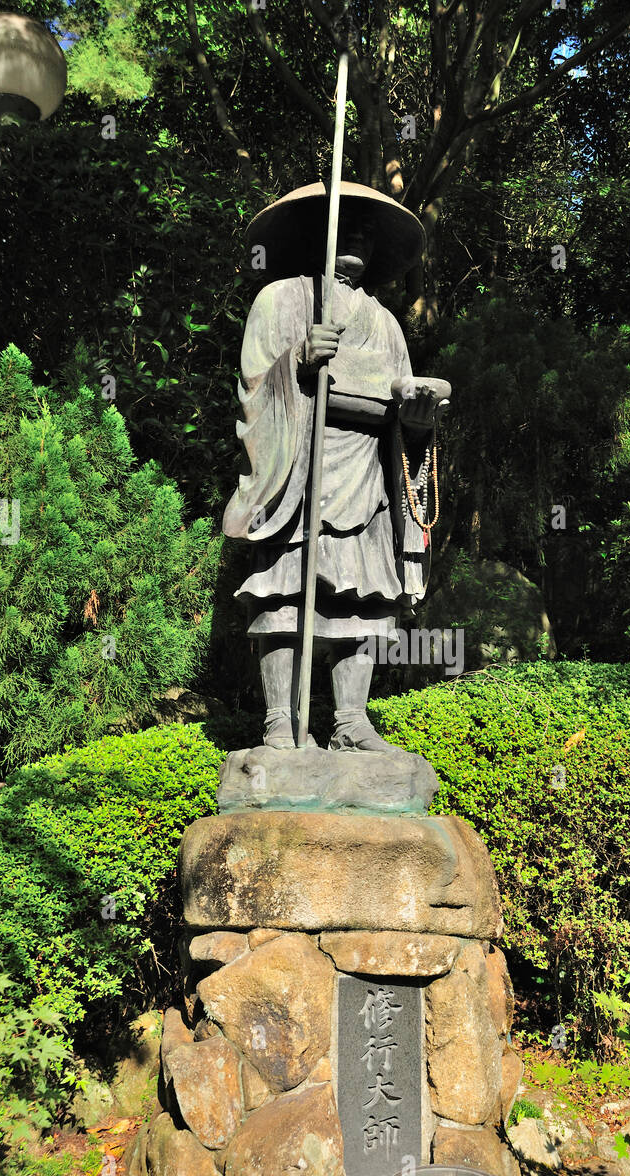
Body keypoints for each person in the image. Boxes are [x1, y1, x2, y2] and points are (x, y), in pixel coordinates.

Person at [223, 181, 447, 750]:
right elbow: (252, 389)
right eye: (343, 227)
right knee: (283, 593)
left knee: (364, 596)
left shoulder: (387, 325)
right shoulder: (280, 301)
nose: (356, 240)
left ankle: (351, 720)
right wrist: (297, 359)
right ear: (314, 236)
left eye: (367, 233)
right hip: (298, 469)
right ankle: (280, 721)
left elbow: (403, 411)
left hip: (365, 473)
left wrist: (417, 423)